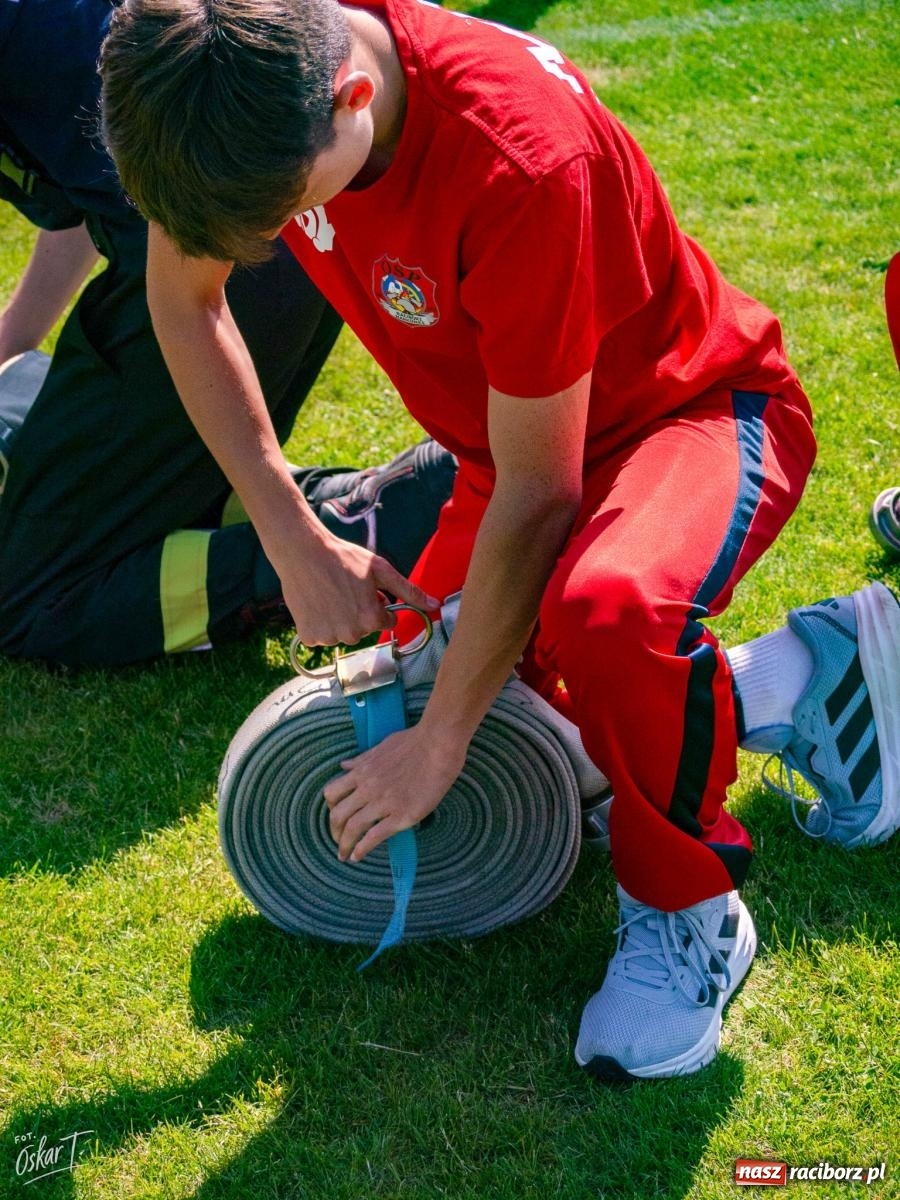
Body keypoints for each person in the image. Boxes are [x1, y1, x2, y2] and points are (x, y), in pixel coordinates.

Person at [98, 0, 899, 1081]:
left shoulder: (518, 160)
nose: (264, 246)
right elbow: (183, 298)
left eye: (280, 214)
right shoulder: (220, 66)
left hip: (690, 415)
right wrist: (290, 534)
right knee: (518, 745)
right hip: (510, 451)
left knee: (602, 622)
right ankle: (815, 675)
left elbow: (540, 495)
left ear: (354, 99)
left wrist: (436, 748)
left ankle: (691, 910)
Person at [0, 0, 455, 668]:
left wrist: (296, 544)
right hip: (248, 224)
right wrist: (13, 341)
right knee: (51, 439)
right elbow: (83, 185)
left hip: (237, 231)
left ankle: (389, 532)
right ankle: (363, 510)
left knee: (38, 596)